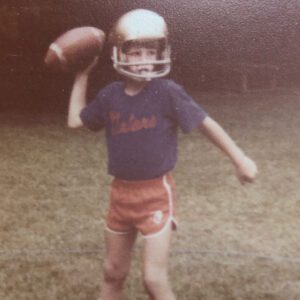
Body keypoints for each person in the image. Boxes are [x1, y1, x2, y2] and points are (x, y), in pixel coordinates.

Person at [67, 9, 257, 300]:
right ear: (121, 54)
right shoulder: (110, 95)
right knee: (112, 272)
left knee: (153, 280)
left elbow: (207, 124)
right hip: (120, 195)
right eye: (136, 52)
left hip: (155, 194)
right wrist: (82, 75)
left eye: (150, 51)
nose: (144, 60)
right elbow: (75, 121)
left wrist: (239, 159)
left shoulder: (168, 91)